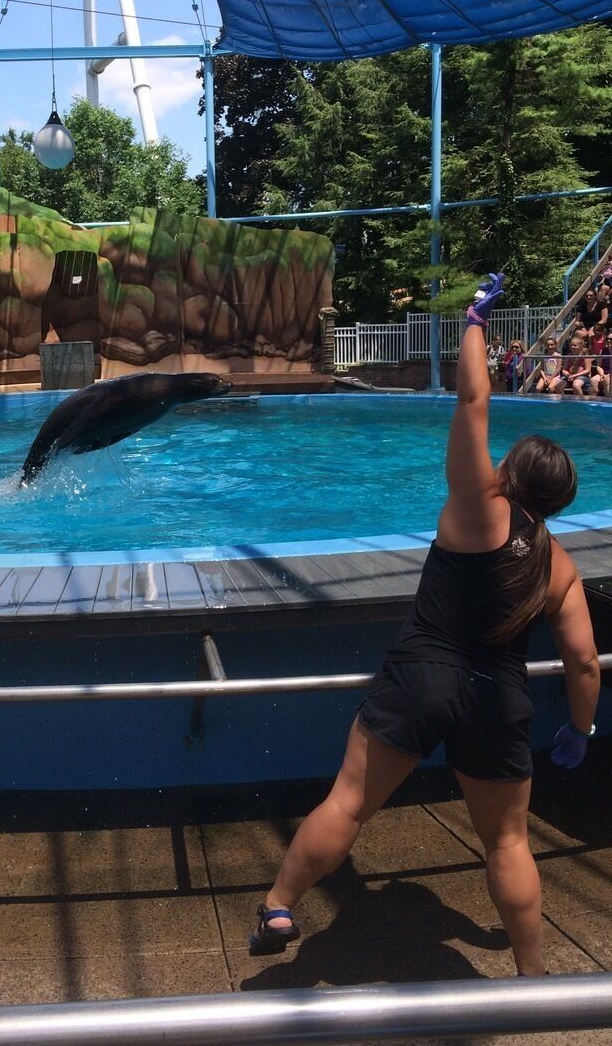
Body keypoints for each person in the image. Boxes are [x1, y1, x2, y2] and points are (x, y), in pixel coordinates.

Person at [249, 272, 600, 978]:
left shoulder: (477, 507)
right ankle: (533, 979)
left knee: (349, 803)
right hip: (498, 698)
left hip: (422, 674)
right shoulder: (557, 562)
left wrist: (474, 321)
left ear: (510, 472)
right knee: (506, 845)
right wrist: (581, 729)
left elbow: (472, 400)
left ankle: (280, 904)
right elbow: (584, 662)